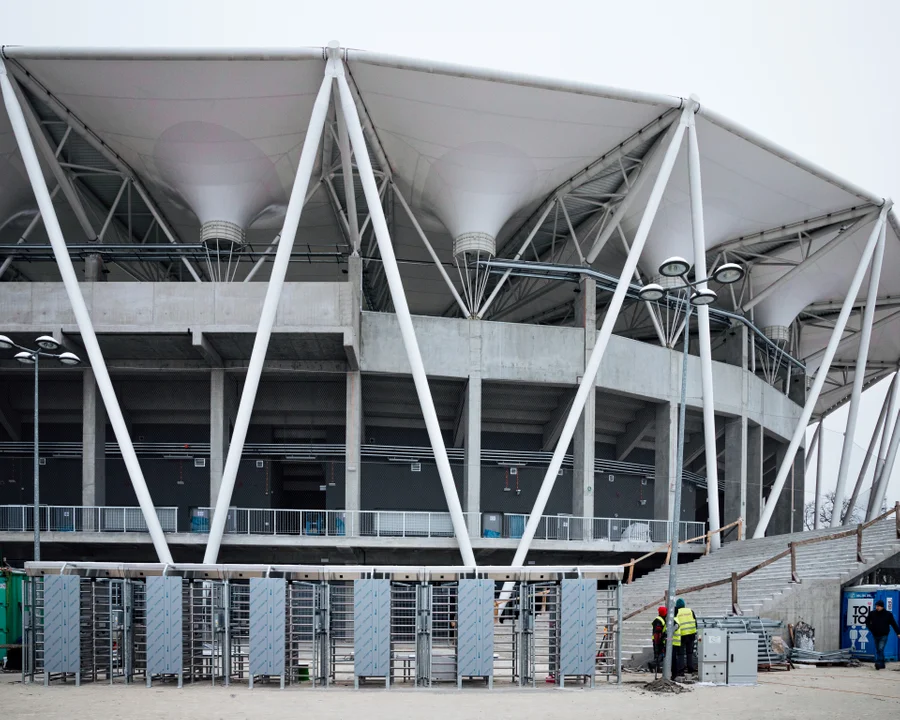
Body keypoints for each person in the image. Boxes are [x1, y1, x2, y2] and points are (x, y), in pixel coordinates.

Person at [865, 599, 899, 670]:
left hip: (884, 635)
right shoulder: (872, 613)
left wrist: (898, 633)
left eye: (878, 606)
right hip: (875, 634)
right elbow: (867, 621)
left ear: (882, 607)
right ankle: (882, 664)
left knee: (881, 648)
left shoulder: (888, 614)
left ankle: (878, 663)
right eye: (876, 606)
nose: (877, 607)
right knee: (878, 649)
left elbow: (893, 624)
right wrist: (871, 628)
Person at [674, 598, 698, 674]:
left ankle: (681, 670)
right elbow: (695, 623)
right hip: (691, 634)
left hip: (681, 635)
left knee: (681, 653)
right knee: (689, 652)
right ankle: (690, 668)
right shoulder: (690, 611)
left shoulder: (676, 611)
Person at [651, 606, 667, 674]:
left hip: (658, 640)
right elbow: (657, 633)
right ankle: (653, 665)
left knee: (658, 654)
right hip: (658, 640)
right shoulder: (659, 620)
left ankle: (656, 667)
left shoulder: (661, 619)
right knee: (659, 654)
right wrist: (659, 642)